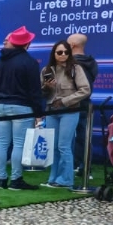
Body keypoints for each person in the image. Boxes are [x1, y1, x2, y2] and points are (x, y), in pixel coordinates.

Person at [0, 27, 44, 190]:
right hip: (22, 106)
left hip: (2, 105)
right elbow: (35, 90)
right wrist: (39, 112)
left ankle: (0, 179)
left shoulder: (0, 61)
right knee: (19, 144)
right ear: (27, 43)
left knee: (2, 142)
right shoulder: (30, 62)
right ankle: (16, 179)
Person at [41, 40, 91, 189]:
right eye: (59, 52)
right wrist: (46, 87)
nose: (63, 55)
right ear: (54, 54)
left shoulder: (76, 68)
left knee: (64, 145)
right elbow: (42, 93)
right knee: (54, 146)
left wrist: (65, 101)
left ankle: (66, 179)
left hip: (69, 111)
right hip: (51, 111)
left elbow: (85, 89)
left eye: (66, 52)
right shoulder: (46, 70)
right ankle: (54, 178)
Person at [67, 33, 97, 177]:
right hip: (85, 104)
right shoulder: (92, 63)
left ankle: (70, 168)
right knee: (84, 138)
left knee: (66, 139)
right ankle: (84, 167)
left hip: (71, 104)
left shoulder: (71, 64)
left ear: (72, 45)